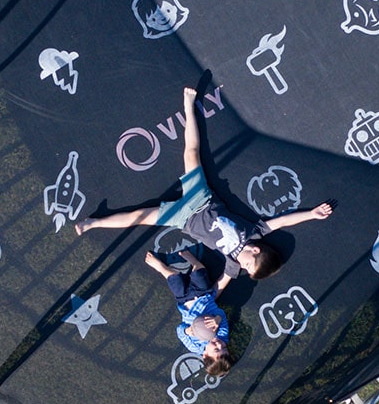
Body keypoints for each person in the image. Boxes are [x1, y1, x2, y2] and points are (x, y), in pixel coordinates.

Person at [76, 86, 335, 281]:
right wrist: (311, 214)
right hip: (201, 198)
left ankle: (93, 222)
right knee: (191, 152)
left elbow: (222, 284)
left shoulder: (232, 263)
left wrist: (210, 303)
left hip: (183, 219)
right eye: (248, 264)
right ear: (255, 250)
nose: (242, 267)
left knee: (138, 217)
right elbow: (283, 220)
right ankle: (189, 107)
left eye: (245, 269)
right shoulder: (256, 231)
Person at [145, 249, 233, 377]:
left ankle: (160, 267)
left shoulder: (194, 346)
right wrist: (217, 319)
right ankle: (194, 261)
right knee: (200, 272)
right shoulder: (222, 334)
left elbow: (180, 331)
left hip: (185, 300)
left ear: (205, 355)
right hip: (204, 295)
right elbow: (222, 314)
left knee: (174, 279)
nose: (219, 344)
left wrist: (188, 331)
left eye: (216, 349)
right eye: (224, 347)